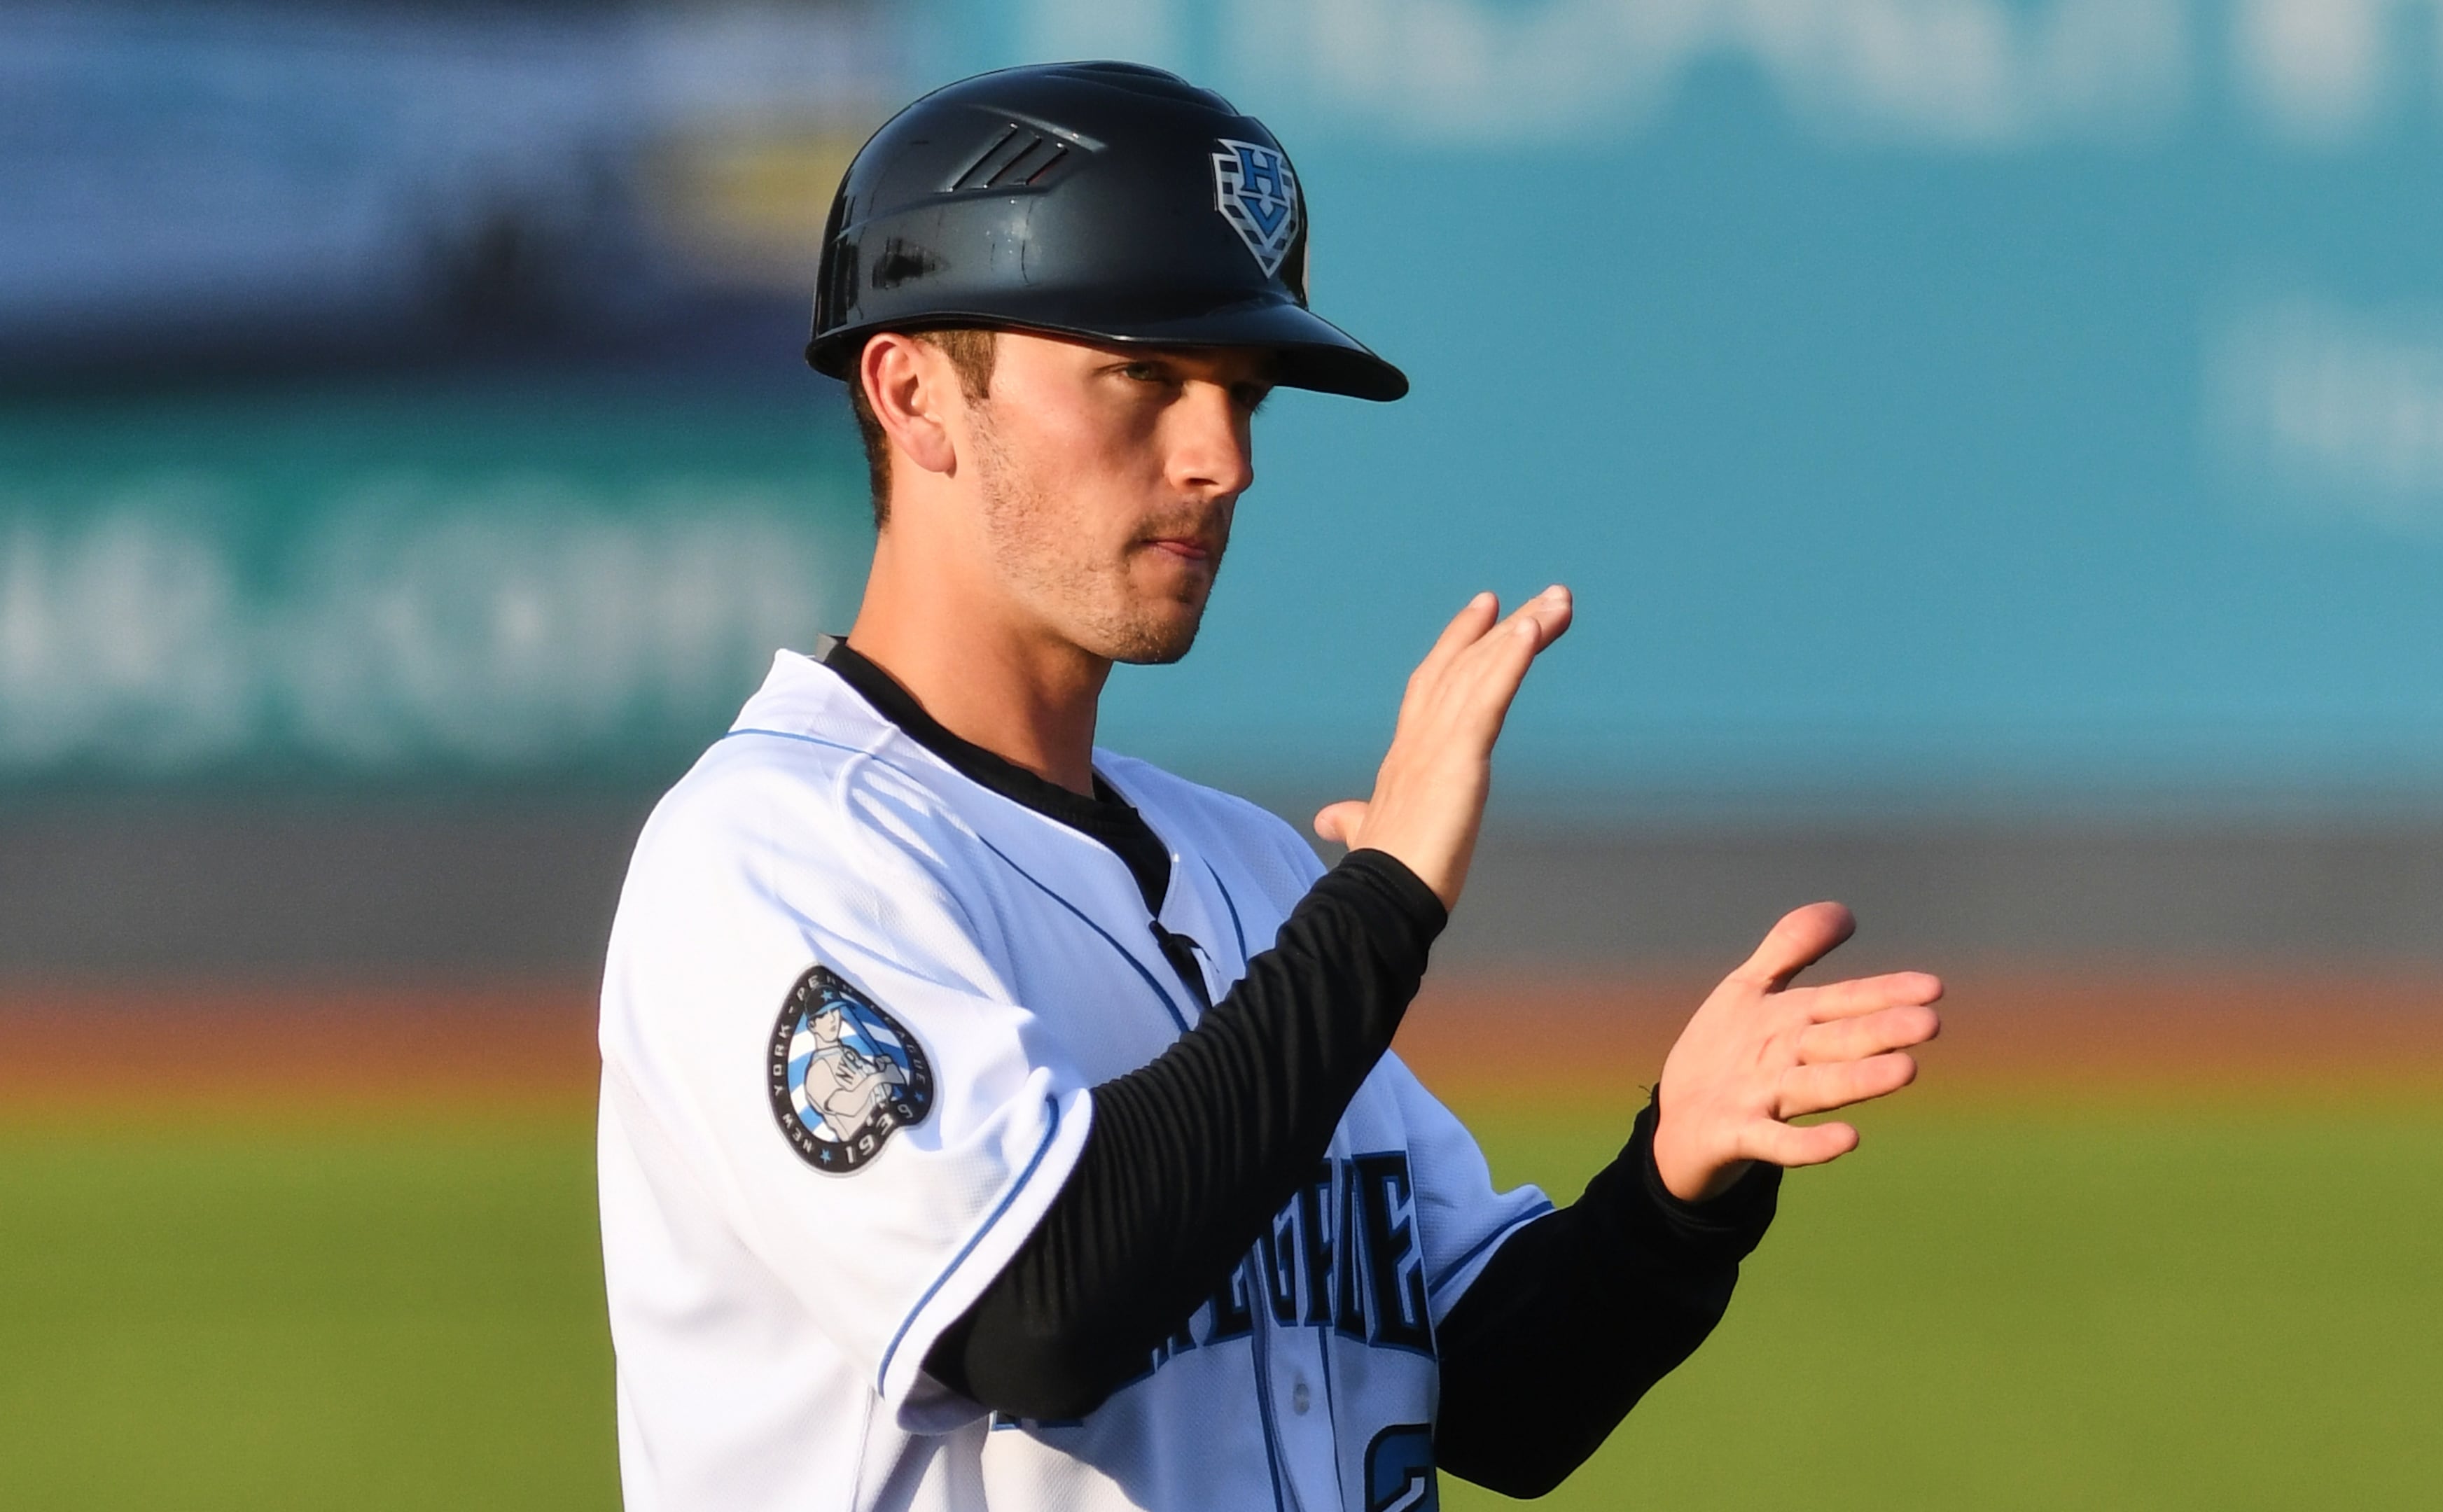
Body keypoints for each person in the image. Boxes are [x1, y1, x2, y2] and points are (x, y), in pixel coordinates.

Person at [596, 61, 1942, 1512]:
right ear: (915, 391)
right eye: (1144, 375)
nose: (1220, 457)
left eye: (1242, 393)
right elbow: (1035, 1316)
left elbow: (1502, 1391)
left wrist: (1675, 1183)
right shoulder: (774, 858)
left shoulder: (1239, 869)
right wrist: (1380, 916)